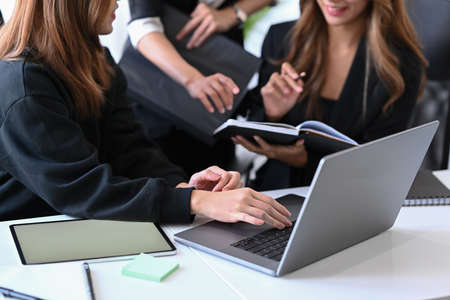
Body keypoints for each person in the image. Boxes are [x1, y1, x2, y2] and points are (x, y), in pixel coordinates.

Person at [0, 0, 292, 231]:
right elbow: (80, 187)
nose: (118, 4)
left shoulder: (96, 60)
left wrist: (184, 188)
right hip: (25, 231)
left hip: (80, 222)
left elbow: (131, 151)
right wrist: (195, 201)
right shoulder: (24, 85)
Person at [235, 0, 428, 190]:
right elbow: (250, 135)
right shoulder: (282, 37)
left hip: (353, 193)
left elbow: (380, 159)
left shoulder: (401, 63)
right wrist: (272, 113)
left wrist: (306, 159)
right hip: (277, 191)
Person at [122, 0, 275, 176]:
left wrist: (234, 13)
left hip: (218, 73)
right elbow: (143, 29)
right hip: (161, 87)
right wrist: (192, 79)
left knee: (216, 173)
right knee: (164, 177)